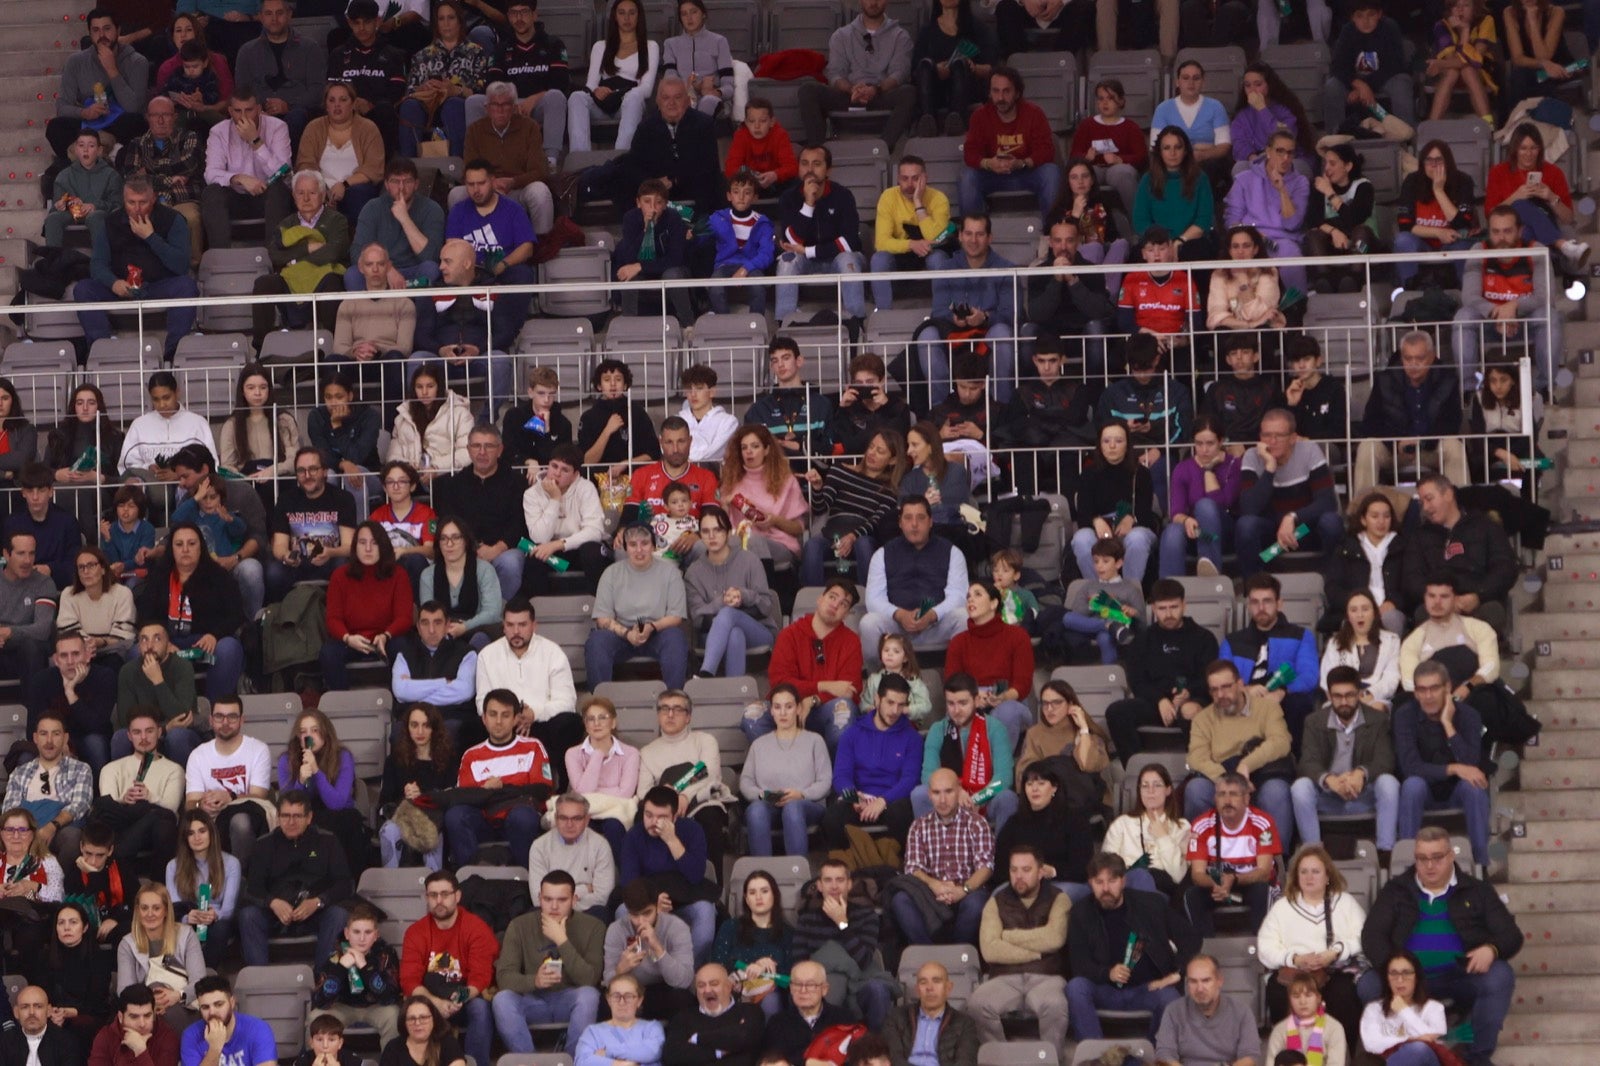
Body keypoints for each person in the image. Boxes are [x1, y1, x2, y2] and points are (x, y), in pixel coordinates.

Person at [1359, 826, 1521, 1065]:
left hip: (1460, 974)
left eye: (1437, 857)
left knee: (1500, 975)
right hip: (1408, 978)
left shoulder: (1476, 890)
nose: (1429, 865)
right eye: (1422, 859)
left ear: (1451, 856)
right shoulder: (1396, 891)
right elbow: (1372, 935)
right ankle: (1397, 1053)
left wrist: (1491, 949)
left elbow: (1511, 934)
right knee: (1368, 984)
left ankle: (1477, 1057)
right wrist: (1394, 970)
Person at [1067, 852, 1197, 1041]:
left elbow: (1190, 937)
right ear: (1090, 883)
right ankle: (1094, 1056)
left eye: (1112, 881)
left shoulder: (1151, 904)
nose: (1105, 888)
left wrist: (1178, 972)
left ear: (1123, 881)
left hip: (1148, 988)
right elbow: (1078, 964)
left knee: (1170, 999)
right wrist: (1107, 973)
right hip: (1104, 989)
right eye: (1099, 882)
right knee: (1075, 987)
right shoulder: (1080, 912)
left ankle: (1152, 1058)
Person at [72, 178, 198, 361]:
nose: (137, 208)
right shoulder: (110, 223)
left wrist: (151, 237)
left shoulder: (172, 220)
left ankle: (173, 355)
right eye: (131, 202)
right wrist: (113, 283)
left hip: (157, 286)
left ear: (153, 198)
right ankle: (102, 354)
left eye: (142, 202)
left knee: (187, 286)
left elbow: (181, 265)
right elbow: (97, 264)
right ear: (124, 200)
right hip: (121, 287)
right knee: (83, 289)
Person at [493, 870, 604, 1056]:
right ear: (539, 899)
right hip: (533, 1000)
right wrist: (534, 981)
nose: (554, 906)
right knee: (502, 1000)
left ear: (574, 900)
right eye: (547, 899)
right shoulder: (519, 925)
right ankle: (530, 1062)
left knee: (589, 995)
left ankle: (571, 1060)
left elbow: (590, 979)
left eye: (562, 900)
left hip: (569, 999)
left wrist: (562, 941)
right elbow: (504, 977)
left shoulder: (594, 926)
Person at [1106, 580, 1219, 763]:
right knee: (1117, 712)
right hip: (1155, 702)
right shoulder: (1142, 640)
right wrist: (1160, 700)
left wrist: (1189, 692)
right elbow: (1137, 681)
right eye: (1162, 608)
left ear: (1184, 604)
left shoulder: (1204, 638)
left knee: (1190, 711)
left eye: (1174, 607)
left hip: (1193, 700)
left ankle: (1198, 769)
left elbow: (1210, 677)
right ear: (1153, 608)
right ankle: (1137, 769)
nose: (1168, 614)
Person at [1259, 847, 1368, 1038]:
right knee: (1277, 992)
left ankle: (1341, 1055)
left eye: (1315, 871)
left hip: (1335, 970)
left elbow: (1363, 936)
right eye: (1304, 872)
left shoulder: (1345, 902)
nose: (1309, 877)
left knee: (1344, 993)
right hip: (1295, 972)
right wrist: (1295, 959)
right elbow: (1265, 948)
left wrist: (1335, 952)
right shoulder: (1282, 907)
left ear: (1327, 876)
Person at [966, 844, 1068, 1048]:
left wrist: (1008, 936)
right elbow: (990, 950)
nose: (1019, 876)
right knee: (977, 1003)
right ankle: (1000, 1059)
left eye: (1026, 870)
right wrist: (1038, 953)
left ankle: (1049, 1062)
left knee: (1055, 1005)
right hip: (1004, 977)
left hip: (1046, 977)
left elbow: (1054, 938)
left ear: (1041, 872)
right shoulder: (995, 902)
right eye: (1014, 870)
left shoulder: (1059, 898)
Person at [1292, 665, 1400, 854]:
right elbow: (1307, 762)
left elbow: (1386, 760)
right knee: (1299, 788)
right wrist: (1329, 779)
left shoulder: (1377, 720)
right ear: (1329, 696)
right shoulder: (1314, 721)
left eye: (1349, 695)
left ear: (1359, 693)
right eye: (1337, 696)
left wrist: (1361, 774)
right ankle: (1313, 852)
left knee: (1389, 783)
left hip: (1363, 792)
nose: (1344, 701)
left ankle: (1386, 852)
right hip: (1328, 794)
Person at [237, 790, 352, 967]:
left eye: (297, 816)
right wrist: (272, 902)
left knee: (339, 915)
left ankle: (324, 979)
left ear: (309, 817)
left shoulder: (327, 841)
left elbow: (344, 884)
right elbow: (253, 888)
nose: (291, 822)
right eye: (285, 816)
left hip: (316, 912)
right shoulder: (264, 844)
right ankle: (259, 981)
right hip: (274, 914)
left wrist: (318, 902)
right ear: (277, 816)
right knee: (248, 915)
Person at [1454, 203, 1562, 392]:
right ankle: (1469, 390)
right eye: (1495, 232)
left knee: (1549, 316)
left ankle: (1545, 388)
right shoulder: (1478, 250)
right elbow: (1469, 297)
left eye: (1507, 231)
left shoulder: (1536, 250)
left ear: (1520, 231)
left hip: (1524, 322)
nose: (1501, 238)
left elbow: (1545, 296)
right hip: (1489, 323)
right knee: (1463, 317)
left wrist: (1514, 307)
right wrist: (1497, 312)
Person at [914, 213, 1018, 404]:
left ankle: (1001, 409)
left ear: (989, 237)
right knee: (927, 335)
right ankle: (942, 408)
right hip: (955, 336)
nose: (973, 240)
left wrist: (985, 317)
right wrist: (954, 318)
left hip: (988, 334)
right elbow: (938, 311)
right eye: (968, 234)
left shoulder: (1007, 268)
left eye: (979, 234)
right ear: (960, 236)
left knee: (1003, 333)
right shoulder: (945, 269)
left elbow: (1010, 314)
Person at [399, 870, 499, 1066]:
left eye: (445, 894)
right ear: (426, 898)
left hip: (464, 996)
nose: (439, 900)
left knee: (480, 1009)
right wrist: (435, 1002)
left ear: (457, 896)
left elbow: (480, 977)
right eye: (433, 895)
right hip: (429, 996)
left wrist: (458, 999)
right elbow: (409, 980)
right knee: (410, 1011)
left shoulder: (476, 927)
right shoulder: (416, 932)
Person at [446, 687, 555, 866]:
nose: (498, 721)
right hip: (484, 821)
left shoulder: (533, 747)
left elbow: (542, 789)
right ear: (484, 719)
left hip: (520, 819)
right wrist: (486, 791)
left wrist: (499, 790)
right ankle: (469, 879)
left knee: (521, 816)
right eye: (493, 714)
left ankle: (528, 880)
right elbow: (464, 797)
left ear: (516, 719)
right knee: (455, 815)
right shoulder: (471, 755)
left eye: (505, 715)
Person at [137, 524, 246, 700]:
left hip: (205, 645)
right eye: (179, 544)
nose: (185, 549)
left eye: (191, 543)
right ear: (171, 549)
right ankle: (156, 718)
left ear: (201, 547)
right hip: (167, 643)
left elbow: (236, 614)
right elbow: (145, 616)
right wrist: (161, 641)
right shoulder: (159, 577)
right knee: (137, 652)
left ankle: (216, 712)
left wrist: (214, 635)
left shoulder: (218, 575)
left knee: (229, 649)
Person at [1354, 332, 1468, 499]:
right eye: (1408, 359)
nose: (1413, 364)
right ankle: (1362, 511)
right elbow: (1371, 423)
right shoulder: (1385, 380)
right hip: (1395, 450)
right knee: (1367, 447)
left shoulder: (1447, 379)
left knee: (1454, 446)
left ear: (1431, 357)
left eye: (1420, 358)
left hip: (1431, 448)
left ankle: (1460, 510)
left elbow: (1451, 422)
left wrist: (1424, 441)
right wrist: (1396, 441)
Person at [1236, 408, 1344, 578]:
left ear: (1293, 438)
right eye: (1266, 435)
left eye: (1279, 436)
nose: (1272, 441)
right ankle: (1253, 588)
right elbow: (1249, 508)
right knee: (1246, 525)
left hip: (1304, 529)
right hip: (1272, 533)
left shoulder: (1309, 451)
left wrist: (1292, 517)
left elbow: (1327, 502)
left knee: (1331, 522)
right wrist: (1270, 467)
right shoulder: (1251, 456)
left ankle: (1332, 582)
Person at [758, 578, 864, 748]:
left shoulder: (851, 642)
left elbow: (848, 690)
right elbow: (780, 683)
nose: (835, 605)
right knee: (753, 717)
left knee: (844, 711)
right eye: (832, 597)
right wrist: (824, 686)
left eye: (843, 604)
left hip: (824, 710)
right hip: (788, 706)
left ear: (846, 614)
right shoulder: (789, 635)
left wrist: (813, 700)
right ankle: (781, 767)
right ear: (820, 599)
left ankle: (830, 773)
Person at [1403, 476, 1519, 632]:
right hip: (1437, 604)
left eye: (1429, 499)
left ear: (1448, 495)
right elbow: (1412, 579)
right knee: (1422, 614)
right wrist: (1441, 599)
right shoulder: (1419, 536)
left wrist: (1478, 596)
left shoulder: (1485, 526)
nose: (1426, 508)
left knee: (1492, 612)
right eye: (1422, 502)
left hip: (1479, 602)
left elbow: (1505, 568)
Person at [894, 767, 994, 945]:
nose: (942, 800)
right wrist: (935, 885)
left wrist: (961, 891)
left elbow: (985, 867)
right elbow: (913, 868)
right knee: (901, 900)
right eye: (936, 793)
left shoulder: (977, 824)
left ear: (959, 791)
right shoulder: (919, 826)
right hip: (932, 895)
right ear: (929, 795)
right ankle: (929, 956)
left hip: (966, 891)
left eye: (948, 791)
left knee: (977, 903)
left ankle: (957, 955)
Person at [473, 598, 578, 766]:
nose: (516, 631)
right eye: (510, 625)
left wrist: (534, 714)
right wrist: (510, 717)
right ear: (503, 626)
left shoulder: (552, 652)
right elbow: (482, 702)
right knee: (471, 726)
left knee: (569, 722)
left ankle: (559, 785)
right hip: (504, 723)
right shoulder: (487, 655)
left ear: (534, 625)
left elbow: (567, 702)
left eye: (522, 625)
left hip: (542, 723)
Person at [861, 496, 968, 660]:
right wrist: (900, 614)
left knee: (963, 617)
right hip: (896, 628)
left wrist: (932, 614)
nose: (914, 524)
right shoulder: (882, 554)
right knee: (869, 622)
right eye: (908, 518)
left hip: (936, 625)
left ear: (931, 521)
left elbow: (958, 596)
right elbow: (874, 599)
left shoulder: (952, 552)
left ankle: (956, 681)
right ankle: (878, 680)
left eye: (921, 518)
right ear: (900, 522)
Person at [772, 147, 869, 326]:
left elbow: (849, 242)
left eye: (816, 164)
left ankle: (857, 323)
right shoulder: (789, 198)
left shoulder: (843, 196)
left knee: (848, 259)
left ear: (828, 170)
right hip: (805, 261)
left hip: (838, 259)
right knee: (787, 260)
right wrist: (808, 204)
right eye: (804, 164)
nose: (809, 170)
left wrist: (809, 250)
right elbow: (792, 241)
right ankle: (784, 326)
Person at [586, 524, 690, 689]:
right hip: (622, 633)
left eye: (645, 544)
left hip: (657, 632)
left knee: (675, 637)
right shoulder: (611, 573)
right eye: (633, 545)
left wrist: (650, 627)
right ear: (625, 548)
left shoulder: (670, 573)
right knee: (597, 641)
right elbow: (602, 618)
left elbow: (676, 617)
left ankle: (674, 698)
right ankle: (600, 703)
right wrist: (627, 633)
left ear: (654, 546)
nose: (639, 550)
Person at [798, 0, 915, 147]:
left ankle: (883, 148)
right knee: (808, 90)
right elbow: (834, 73)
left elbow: (900, 72)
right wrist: (851, 89)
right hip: (849, 96)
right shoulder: (840, 36)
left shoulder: (900, 36)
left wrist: (875, 89)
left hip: (881, 96)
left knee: (908, 92)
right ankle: (818, 152)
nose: (873, 2)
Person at [1184, 770, 1283, 935]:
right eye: (1222, 794)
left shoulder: (1263, 823)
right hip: (1216, 884)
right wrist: (1216, 883)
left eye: (1233, 794)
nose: (1227, 801)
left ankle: (1262, 949)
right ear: (1215, 799)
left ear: (1246, 799)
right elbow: (1197, 874)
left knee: (1262, 891)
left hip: (1252, 883)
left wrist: (1234, 879)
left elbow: (1264, 873)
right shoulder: (1201, 825)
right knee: (1192, 895)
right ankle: (1205, 951)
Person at [320, 521, 414, 689]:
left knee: (403, 647)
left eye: (374, 543)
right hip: (352, 639)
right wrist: (347, 638)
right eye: (362, 543)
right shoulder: (340, 575)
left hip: (385, 639)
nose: (368, 549)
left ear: (383, 546)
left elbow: (404, 617)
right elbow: (333, 618)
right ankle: (341, 707)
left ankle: (401, 707)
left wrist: (386, 635)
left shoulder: (398, 575)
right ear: (355, 547)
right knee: (329, 653)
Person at [740, 685, 831, 857]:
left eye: (788, 707)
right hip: (770, 804)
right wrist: (763, 794)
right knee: (756, 810)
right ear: (771, 711)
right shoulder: (759, 744)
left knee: (793, 808)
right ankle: (762, 876)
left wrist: (801, 794)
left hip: (807, 805)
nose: (783, 713)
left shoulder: (814, 741)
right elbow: (746, 781)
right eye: (777, 707)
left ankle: (797, 874)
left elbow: (825, 781)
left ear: (798, 709)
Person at [958, 66, 1059, 219]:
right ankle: (975, 233)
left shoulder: (1034, 113)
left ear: (1017, 93)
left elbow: (1046, 151)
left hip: (1026, 172)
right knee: (967, 177)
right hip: (992, 174)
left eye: (1006, 91)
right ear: (989, 93)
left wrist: (1022, 163)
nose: (1000, 97)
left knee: (1051, 172)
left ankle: (1053, 233)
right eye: (995, 91)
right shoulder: (979, 116)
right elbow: (970, 153)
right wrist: (988, 163)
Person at [183, 694, 274, 866]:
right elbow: (190, 803)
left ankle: (242, 880)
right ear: (211, 720)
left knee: (240, 821)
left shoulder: (258, 749)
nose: (225, 722)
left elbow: (259, 796)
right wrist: (201, 805)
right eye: (219, 716)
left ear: (242, 720)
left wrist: (229, 797)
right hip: (211, 821)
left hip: (250, 818)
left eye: (232, 717)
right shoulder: (198, 755)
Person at [47, 8, 150, 159]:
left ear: (118, 30)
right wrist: (84, 113)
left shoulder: (137, 61)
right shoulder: (75, 62)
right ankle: (84, 159)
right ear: (90, 34)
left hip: (120, 124)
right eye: (96, 30)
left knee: (137, 123)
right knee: (55, 127)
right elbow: (62, 107)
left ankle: (100, 151)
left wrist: (112, 70)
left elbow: (134, 108)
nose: (102, 35)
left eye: (107, 29)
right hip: (88, 123)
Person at [199, 88, 292, 250]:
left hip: (267, 193)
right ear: (229, 111)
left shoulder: (277, 127)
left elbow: (285, 173)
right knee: (211, 193)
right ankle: (221, 258)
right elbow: (211, 173)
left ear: (258, 109)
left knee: (279, 190)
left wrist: (255, 141)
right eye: (237, 111)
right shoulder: (218, 131)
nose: (243, 116)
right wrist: (238, 177)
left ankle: (275, 258)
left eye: (249, 110)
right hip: (235, 196)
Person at [477, 0, 568, 164]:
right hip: (507, 103)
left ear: (534, 15)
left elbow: (561, 86)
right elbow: (492, 85)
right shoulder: (501, 48)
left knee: (556, 96)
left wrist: (534, 99)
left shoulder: (553, 44)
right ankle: (480, 162)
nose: (519, 18)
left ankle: (550, 160)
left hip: (540, 104)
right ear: (508, 16)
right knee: (473, 101)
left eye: (524, 12)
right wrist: (509, 103)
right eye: (514, 13)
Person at [457, 82, 554, 235]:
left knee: (540, 192)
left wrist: (513, 182)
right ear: (487, 108)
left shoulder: (530, 127)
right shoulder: (475, 130)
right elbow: (469, 169)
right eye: (495, 104)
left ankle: (542, 245)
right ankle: (464, 248)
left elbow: (540, 171)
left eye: (506, 104)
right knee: (456, 194)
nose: (500, 110)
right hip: (485, 187)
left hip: (519, 189)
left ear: (514, 107)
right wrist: (490, 184)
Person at [119, 95, 205, 267]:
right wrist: (169, 180)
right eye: (154, 115)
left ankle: (194, 266)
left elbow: (188, 163)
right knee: (146, 217)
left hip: (184, 198)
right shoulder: (137, 144)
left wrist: (149, 170)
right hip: (152, 200)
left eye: (165, 114)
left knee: (192, 218)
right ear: (147, 117)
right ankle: (156, 266)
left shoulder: (189, 137)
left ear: (175, 117)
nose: (160, 120)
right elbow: (133, 179)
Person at [265, 447, 358, 602]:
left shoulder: (343, 499)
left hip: (330, 560)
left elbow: (350, 546)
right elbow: (279, 545)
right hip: (297, 564)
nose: (307, 476)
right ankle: (279, 619)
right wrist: (286, 556)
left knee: (344, 566)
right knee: (274, 571)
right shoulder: (286, 500)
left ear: (325, 472)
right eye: (301, 471)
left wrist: (330, 552)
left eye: (313, 469)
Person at [397, 0, 488, 157]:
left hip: (458, 107)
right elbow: (409, 92)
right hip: (427, 107)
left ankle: (456, 166)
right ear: (436, 24)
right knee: (409, 107)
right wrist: (422, 89)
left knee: (453, 104)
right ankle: (408, 167)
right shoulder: (422, 55)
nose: (446, 23)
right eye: (441, 19)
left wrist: (455, 90)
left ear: (460, 21)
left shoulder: (476, 53)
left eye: (451, 18)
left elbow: (481, 93)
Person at [99, 709, 182, 881]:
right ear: (129, 735)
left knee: (163, 821)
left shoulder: (174, 769)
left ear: (159, 732)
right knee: (106, 808)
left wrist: (150, 796)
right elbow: (107, 809)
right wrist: (124, 799)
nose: (143, 737)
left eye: (149, 731)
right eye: (137, 732)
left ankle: (159, 887)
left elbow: (171, 809)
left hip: (155, 832)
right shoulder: (111, 768)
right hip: (122, 827)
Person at [1223, 131, 1309, 292]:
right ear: (1268, 152)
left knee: (1290, 252)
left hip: (1283, 241)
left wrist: (1282, 190)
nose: (1285, 158)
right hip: (1250, 238)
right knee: (1241, 248)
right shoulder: (1244, 179)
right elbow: (1232, 220)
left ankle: (1296, 306)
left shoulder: (1300, 182)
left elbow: (1292, 224)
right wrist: (1251, 235)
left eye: (1290, 153)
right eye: (1280, 151)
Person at [567, 0, 657, 151]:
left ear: (638, 16)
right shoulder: (600, 46)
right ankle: (580, 158)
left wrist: (617, 92)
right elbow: (591, 85)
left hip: (629, 101)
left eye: (631, 13)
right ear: (615, 17)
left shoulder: (650, 46)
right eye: (621, 13)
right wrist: (597, 91)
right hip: (603, 101)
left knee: (634, 97)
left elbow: (646, 89)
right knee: (577, 97)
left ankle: (620, 159)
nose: (626, 18)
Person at [309, 902, 402, 1048]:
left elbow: (389, 997)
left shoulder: (386, 954)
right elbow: (320, 1001)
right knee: (315, 1017)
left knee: (393, 1014)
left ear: (376, 935)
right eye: (356, 932)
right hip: (342, 1006)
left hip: (376, 1006)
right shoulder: (335, 954)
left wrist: (364, 967)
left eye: (368, 932)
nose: (362, 938)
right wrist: (340, 968)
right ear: (347, 933)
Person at [1393, 141, 1482, 291]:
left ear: (1448, 162)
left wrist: (1439, 191)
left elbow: (1462, 224)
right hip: (1422, 242)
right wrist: (1438, 232)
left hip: (1453, 242)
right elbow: (1405, 225)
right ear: (1422, 163)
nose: (1433, 165)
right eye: (1429, 160)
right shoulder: (1412, 181)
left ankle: (1464, 293)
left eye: (1439, 160)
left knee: (1464, 247)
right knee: (1403, 240)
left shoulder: (1463, 181)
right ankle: (1408, 292)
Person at [3, 711, 93, 860]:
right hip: (25, 831)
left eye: (56, 734)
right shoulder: (19, 773)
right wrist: (29, 833)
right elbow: (10, 811)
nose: (49, 740)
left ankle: (56, 883)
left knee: (72, 837)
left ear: (65, 738)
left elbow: (80, 805)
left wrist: (51, 826)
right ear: (35, 738)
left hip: (59, 831)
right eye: (43, 734)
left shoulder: (81, 769)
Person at [602, 878, 696, 1019]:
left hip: (663, 989)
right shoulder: (616, 930)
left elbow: (684, 981)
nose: (641, 922)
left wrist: (658, 948)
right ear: (627, 911)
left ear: (657, 907)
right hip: (630, 990)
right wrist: (620, 970)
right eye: (634, 915)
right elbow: (607, 984)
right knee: (606, 1002)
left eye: (647, 913)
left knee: (682, 998)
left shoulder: (676, 927)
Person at [1158, 416, 1240, 579]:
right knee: (1172, 531)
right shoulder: (1183, 468)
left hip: (1223, 531)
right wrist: (1186, 520)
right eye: (1199, 444)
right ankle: (1169, 591)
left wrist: (1208, 470)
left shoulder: (1233, 464)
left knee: (1205, 506)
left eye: (1210, 443)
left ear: (1221, 441)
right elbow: (1176, 512)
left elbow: (1223, 504)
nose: (1204, 450)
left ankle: (1210, 566)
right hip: (1195, 532)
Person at [232, 0, 323, 144]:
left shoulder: (310, 48)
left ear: (289, 14)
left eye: (279, 13)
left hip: (297, 114)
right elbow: (242, 91)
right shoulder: (246, 51)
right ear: (261, 17)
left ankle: (287, 165)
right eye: (268, 13)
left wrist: (288, 105)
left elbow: (317, 91)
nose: (274, 19)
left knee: (297, 117)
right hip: (258, 114)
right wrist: (258, 109)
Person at [117, 883, 205, 1032]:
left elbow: (200, 981)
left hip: (184, 1003)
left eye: (156, 908)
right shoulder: (127, 944)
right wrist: (150, 1002)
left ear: (165, 910)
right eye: (144, 908)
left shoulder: (186, 934)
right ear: (137, 911)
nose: (150, 914)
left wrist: (178, 995)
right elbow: (124, 990)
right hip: (144, 1008)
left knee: (166, 1016)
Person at [26, 629, 115, 775]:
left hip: (89, 737)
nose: (70, 661)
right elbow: (33, 729)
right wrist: (58, 741)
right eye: (64, 655)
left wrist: (70, 692)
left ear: (87, 655)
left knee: (95, 744)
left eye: (75, 654)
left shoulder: (104, 677)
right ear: (56, 660)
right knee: (25, 756)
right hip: (53, 738)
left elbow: (98, 725)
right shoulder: (41, 681)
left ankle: (99, 796)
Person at [377, 703, 455, 869]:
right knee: (389, 830)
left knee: (432, 832)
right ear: (407, 728)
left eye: (426, 725)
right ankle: (391, 884)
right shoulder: (395, 760)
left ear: (435, 728)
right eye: (414, 725)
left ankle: (435, 885)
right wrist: (405, 797)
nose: (420, 732)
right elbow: (384, 803)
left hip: (435, 819)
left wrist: (424, 796)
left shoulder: (448, 760)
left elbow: (452, 797)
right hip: (403, 817)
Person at [347, 158, 446, 289]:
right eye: (395, 181)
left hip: (414, 273)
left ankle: (415, 309)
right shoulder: (372, 207)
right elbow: (357, 253)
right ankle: (372, 309)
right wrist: (387, 270)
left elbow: (432, 256)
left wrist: (405, 219)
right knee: (352, 274)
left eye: (407, 181)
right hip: (380, 272)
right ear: (386, 185)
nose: (401, 187)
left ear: (416, 184)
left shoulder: (432, 209)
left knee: (431, 269)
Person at [114, 621, 200, 765]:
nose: (150, 645)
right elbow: (126, 720)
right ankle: (129, 785)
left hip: (180, 735)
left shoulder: (182, 667)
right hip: (148, 732)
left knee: (177, 736)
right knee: (121, 737)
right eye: (144, 639)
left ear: (168, 644)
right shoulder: (128, 671)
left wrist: (158, 681)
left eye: (157, 639)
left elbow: (182, 717)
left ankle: (184, 786)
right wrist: (164, 729)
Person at [870, 156, 951, 310]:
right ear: (898, 179)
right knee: (879, 259)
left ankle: (942, 312)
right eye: (904, 179)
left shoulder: (939, 199)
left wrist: (918, 203)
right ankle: (883, 314)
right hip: (900, 253)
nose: (909, 185)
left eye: (915, 179)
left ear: (925, 178)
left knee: (939, 259)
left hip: (931, 251)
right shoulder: (888, 197)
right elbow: (881, 243)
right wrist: (912, 244)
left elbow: (936, 238)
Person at [1321, 0, 1413, 134]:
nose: (1365, 21)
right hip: (1355, 82)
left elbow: (1395, 65)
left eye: (1371, 15)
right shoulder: (1347, 31)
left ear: (1380, 14)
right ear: (1352, 17)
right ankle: (1335, 138)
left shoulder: (1390, 27)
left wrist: (1364, 87)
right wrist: (1359, 84)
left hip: (1384, 79)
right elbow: (1338, 66)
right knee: (1332, 86)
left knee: (1402, 84)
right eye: (1359, 16)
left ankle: (1406, 136)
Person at [30, 900, 115, 1044]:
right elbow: (40, 993)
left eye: (73, 922)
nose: (66, 928)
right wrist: (50, 1010)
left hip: (87, 1016)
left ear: (85, 927)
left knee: (78, 1028)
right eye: (61, 923)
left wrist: (71, 1012)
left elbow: (97, 1002)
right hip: (52, 1016)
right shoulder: (44, 957)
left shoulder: (98, 957)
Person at [1325, 494, 1408, 638]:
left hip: (1389, 611)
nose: (1381, 521)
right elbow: (1333, 587)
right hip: (1355, 609)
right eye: (1375, 516)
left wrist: (1393, 602)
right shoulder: (1346, 548)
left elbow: (1409, 585)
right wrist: (1356, 605)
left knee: (1392, 619)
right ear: (1363, 520)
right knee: (1351, 621)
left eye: (1386, 516)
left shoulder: (1403, 547)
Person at [1153, 956, 1261, 1066]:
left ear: (1219, 981)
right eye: (1193, 981)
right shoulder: (1173, 1010)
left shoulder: (1241, 1012)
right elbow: (1164, 1054)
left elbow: (1250, 1056)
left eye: (1206, 980)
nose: (1199, 988)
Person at [330, 0, 407, 153]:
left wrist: (371, 105)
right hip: (345, 111)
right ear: (349, 23)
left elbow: (397, 92)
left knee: (385, 110)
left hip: (379, 114)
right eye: (356, 23)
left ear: (377, 21)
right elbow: (331, 89)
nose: (362, 28)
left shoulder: (394, 55)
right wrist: (351, 103)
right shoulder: (338, 55)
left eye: (367, 22)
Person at [166, 810, 240, 968]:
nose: (197, 838)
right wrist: (187, 918)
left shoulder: (231, 863)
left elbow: (228, 909)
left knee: (221, 928)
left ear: (211, 833)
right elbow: (175, 906)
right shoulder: (173, 866)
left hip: (217, 920)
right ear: (185, 839)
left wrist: (214, 915)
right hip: (188, 919)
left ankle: (205, 973)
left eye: (202, 831)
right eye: (191, 833)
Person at [417, 516, 503, 651]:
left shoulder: (484, 570)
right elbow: (428, 615)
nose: (449, 544)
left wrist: (465, 627)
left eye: (455, 537)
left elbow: (492, 612)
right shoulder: (428, 575)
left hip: (476, 628)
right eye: (444, 539)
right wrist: (445, 629)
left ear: (466, 541)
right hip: (442, 631)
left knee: (486, 634)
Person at [565, 697, 640, 853]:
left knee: (614, 826)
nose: (596, 723)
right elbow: (582, 793)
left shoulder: (630, 753)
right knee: (580, 827)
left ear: (613, 723)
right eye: (591, 719)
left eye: (602, 717)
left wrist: (594, 793)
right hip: (585, 812)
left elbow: (625, 794)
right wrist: (598, 755)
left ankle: (625, 875)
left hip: (617, 812)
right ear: (586, 725)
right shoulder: (572, 754)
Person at [712, 874, 795, 1014]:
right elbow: (717, 965)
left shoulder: (788, 933)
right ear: (746, 899)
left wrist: (767, 971)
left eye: (764, 891)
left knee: (771, 1000)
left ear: (774, 895)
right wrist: (748, 968)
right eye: (752, 892)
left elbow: (792, 980)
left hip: (771, 996)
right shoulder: (730, 927)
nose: (758, 897)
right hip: (734, 991)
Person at [1304, 143, 1378, 293]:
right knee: (1313, 236)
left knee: (1360, 233)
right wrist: (1333, 231)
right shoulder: (1320, 187)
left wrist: (1330, 194)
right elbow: (1312, 221)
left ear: (1348, 166)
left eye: (1332, 163)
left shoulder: (1363, 187)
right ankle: (1323, 280)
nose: (1327, 168)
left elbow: (1354, 220)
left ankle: (1355, 279)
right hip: (1333, 244)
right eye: (1325, 163)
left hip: (1363, 247)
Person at [530, 793, 616, 920]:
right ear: (556, 818)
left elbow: (603, 897)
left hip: (587, 913)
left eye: (576, 818)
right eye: (563, 818)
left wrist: (560, 900)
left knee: (600, 912)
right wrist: (585, 889)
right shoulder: (539, 846)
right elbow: (538, 899)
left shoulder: (600, 845)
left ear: (587, 820)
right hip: (551, 914)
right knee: (533, 914)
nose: (569, 824)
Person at [1069, 79, 1147, 217]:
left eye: (1110, 98)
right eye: (1101, 98)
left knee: (1122, 174)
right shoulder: (1087, 125)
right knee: (1083, 176)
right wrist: (1086, 158)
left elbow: (1141, 157)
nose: (1105, 103)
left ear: (1121, 101)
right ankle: (1080, 221)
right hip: (1094, 168)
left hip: (1118, 169)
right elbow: (1074, 155)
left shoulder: (1130, 127)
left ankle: (1138, 223)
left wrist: (1120, 159)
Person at [1134, 129, 1216, 262]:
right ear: (1159, 152)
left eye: (1178, 147)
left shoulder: (1200, 178)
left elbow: (1203, 220)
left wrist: (1179, 241)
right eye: (1167, 148)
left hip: (1190, 241)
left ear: (1185, 151)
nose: (1172, 153)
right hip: (1156, 242)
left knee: (1198, 252)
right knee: (1136, 255)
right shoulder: (1147, 179)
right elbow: (1140, 221)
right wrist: (1162, 246)